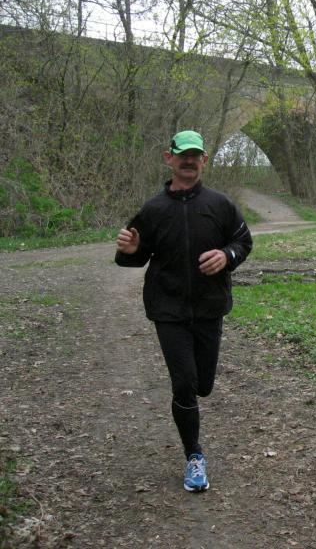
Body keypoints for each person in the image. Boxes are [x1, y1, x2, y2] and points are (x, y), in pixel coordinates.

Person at [115, 130, 252, 492]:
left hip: (209, 308)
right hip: (168, 309)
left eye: (195, 156)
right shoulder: (153, 210)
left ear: (204, 160)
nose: (189, 161)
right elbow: (135, 257)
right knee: (184, 385)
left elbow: (243, 241)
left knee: (203, 384)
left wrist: (227, 255)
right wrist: (129, 251)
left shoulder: (221, 204)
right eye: (183, 155)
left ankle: (194, 422)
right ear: (169, 158)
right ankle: (194, 456)